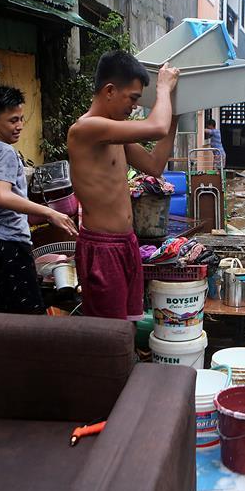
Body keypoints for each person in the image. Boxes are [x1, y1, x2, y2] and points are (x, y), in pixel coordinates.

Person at [68, 51, 179, 320]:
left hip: (126, 241)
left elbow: (154, 165)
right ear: (109, 91)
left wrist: (175, 110)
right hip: (102, 247)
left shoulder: (114, 132)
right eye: (132, 98)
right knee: (108, 333)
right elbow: (156, 127)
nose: (133, 107)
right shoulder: (86, 129)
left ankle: (126, 362)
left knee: (128, 324)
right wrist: (163, 87)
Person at [0, 86, 77, 314]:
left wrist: (33, 216)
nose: (20, 126)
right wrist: (50, 212)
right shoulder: (4, 151)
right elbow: (2, 196)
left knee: (7, 312)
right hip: (8, 244)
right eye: (13, 120)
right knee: (29, 316)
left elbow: (1, 203)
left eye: (21, 118)